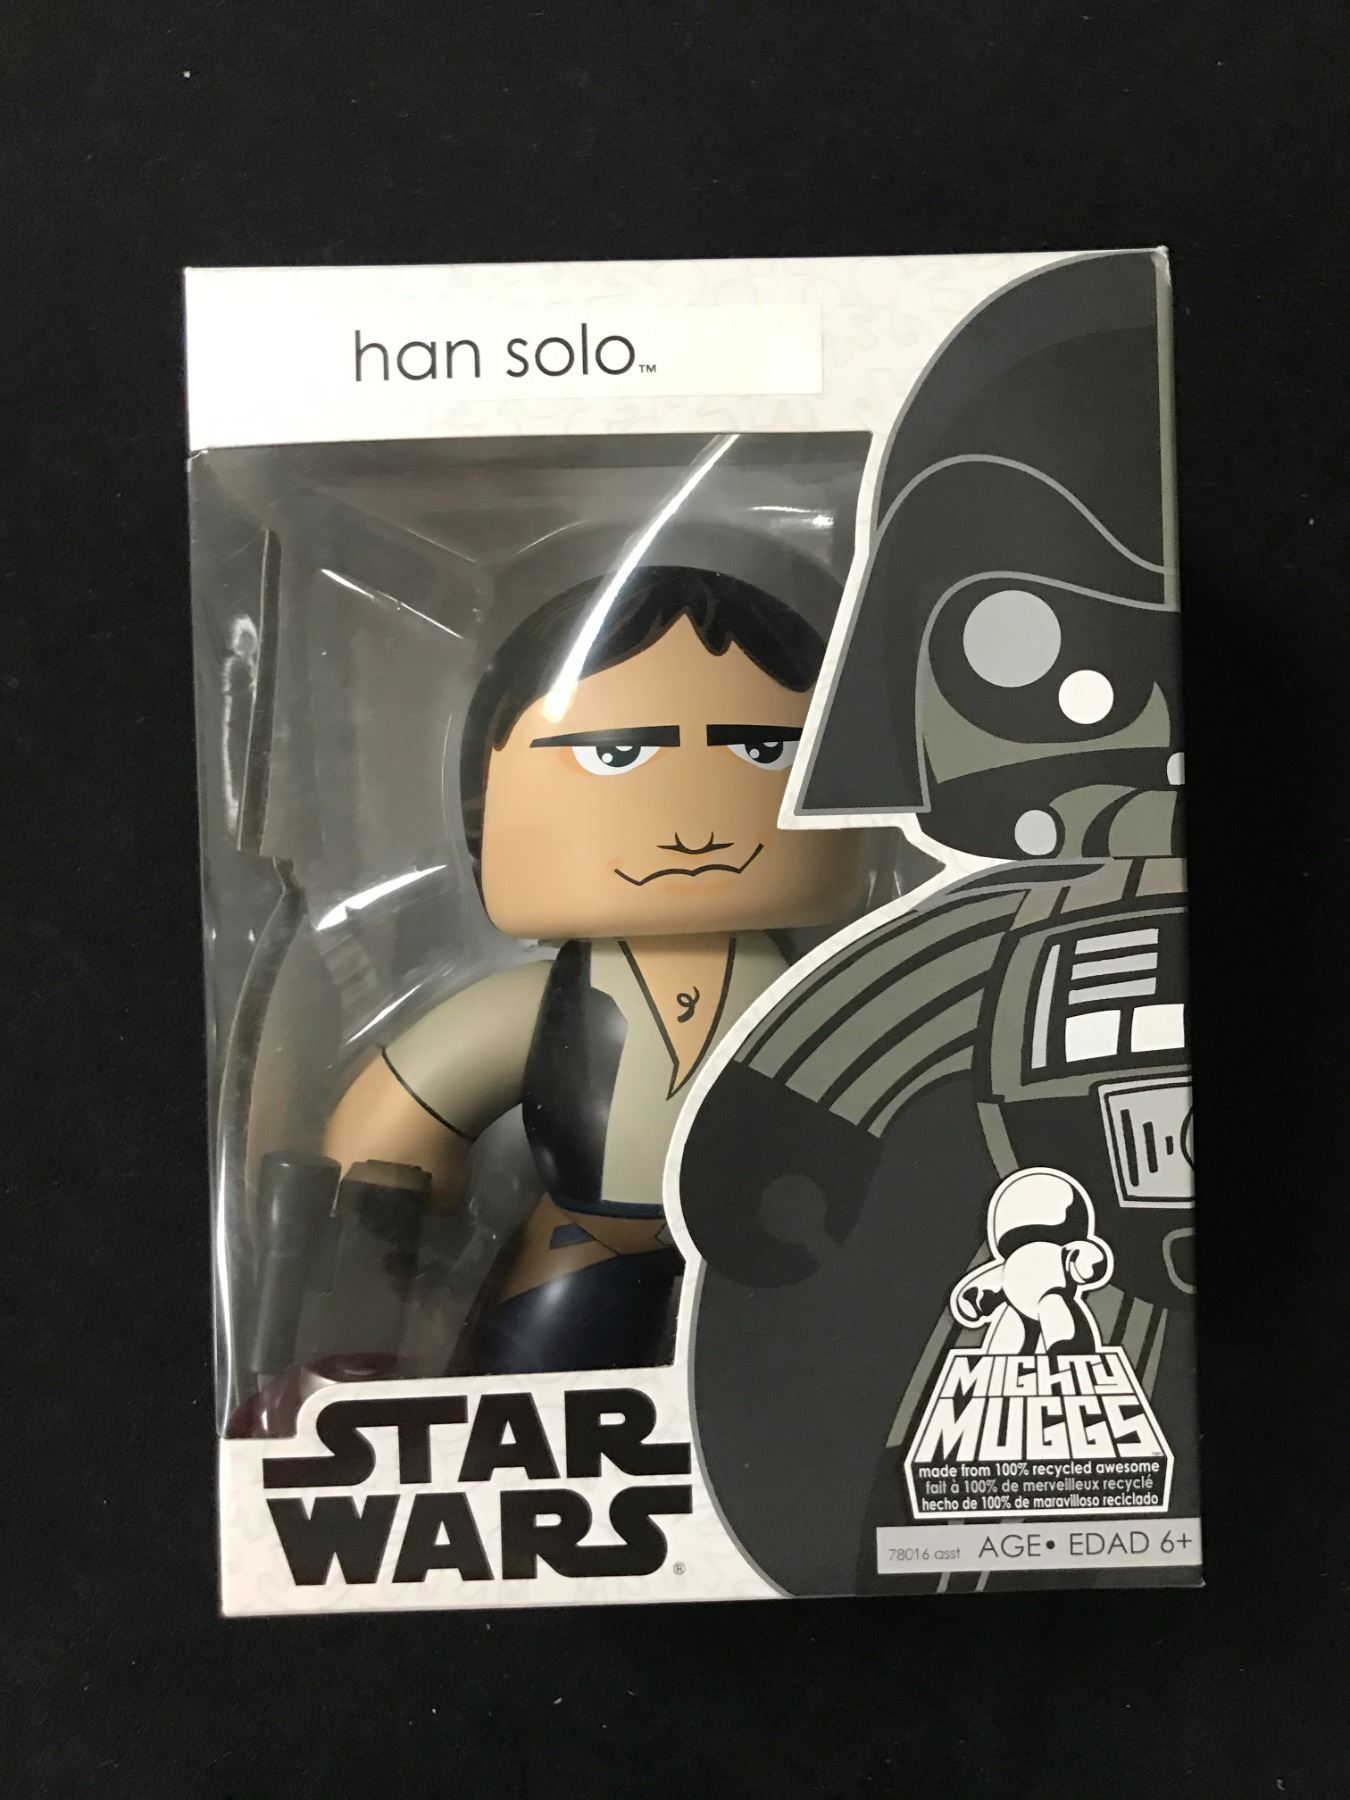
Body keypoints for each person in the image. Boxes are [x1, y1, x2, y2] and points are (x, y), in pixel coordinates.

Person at [324, 562, 868, 1374]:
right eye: (616, 754)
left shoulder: (824, 995)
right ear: (487, 794)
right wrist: (383, 1184)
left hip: (783, 1244)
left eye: (762, 750)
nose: (695, 830)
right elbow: (423, 1096)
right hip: (588, 1239)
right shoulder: (542, 1003)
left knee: (816, 1394)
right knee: (527, 1395)